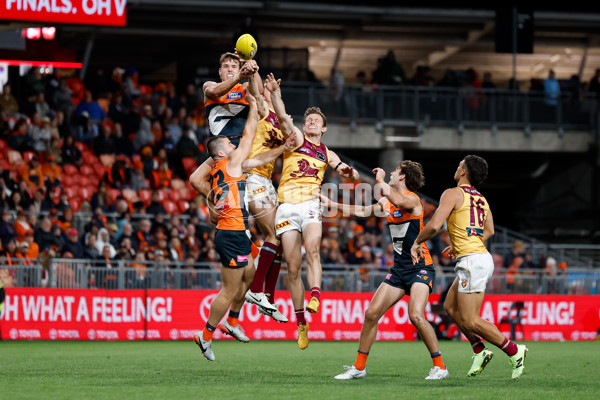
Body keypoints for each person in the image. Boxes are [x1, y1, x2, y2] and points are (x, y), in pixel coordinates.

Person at [319, 161, 448, 380]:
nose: (391, 173)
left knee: (416, 315)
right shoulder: (388, 202)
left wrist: (379, 181)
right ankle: (359, 367)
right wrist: (332, 203)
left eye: (395, 171)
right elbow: (363, 211)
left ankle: (440, 367)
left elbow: (397, 199)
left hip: (420, 267)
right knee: (371, 314)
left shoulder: (412, 200)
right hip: (399, 269)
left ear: (403, 177)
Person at [191, 92, 295, 361]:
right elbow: (249, 135)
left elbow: (258, 160)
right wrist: (252, 107)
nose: (233, 142)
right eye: (228, 141)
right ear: (223, 151)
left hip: (234, 231)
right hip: (232, 233)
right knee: (228, 290)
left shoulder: (225, 167)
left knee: (250, 274)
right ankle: (206, 335)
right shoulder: (232, 162)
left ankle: (234, 321)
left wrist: (283, 149)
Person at [410, 155, 528, 379]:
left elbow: (434, 226)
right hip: (476, 257)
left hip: (473, 261)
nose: (456, 167)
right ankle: (480, 350)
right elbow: (489, 231)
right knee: (450, 308)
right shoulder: (481, 199)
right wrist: (462, 245)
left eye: (459, 165)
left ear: (463, 171)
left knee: (471, 319)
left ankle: (515, 351)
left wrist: (417, 242)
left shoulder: (452, 193)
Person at [267, 73, 359, 349]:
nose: (311, 121)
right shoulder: (294, 138)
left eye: (316, 120)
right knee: (293, 268)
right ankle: (301, 323)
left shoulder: (326, 152)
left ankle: (315, 295)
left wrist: (350, 172)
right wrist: (274, 93)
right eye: (308, 119)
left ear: (323, 129)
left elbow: (349, 175)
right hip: (286, 206)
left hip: (309, 204)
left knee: (314, 249)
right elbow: (282, 116)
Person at [242, 73, 290, 323]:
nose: (270, 89)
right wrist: (253, 68)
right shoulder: (261, 108)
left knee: (280, 239)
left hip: (267, 182)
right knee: (273, 234)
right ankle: (256, 290)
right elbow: (254, 89)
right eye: (268, 88)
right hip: (252, 177)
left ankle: (268, 299)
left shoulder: (280, 119)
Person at [203, 52, 259, 147]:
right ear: (220, 71)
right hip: (219, 147)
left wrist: (252, 70)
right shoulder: (210, 85)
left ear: (239, 70)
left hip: (242, 147)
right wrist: (238, 77)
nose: (230, 70)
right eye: (226, 66)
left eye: (234, 66)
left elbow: (259, 92)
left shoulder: (244, 88)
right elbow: (215, 92)